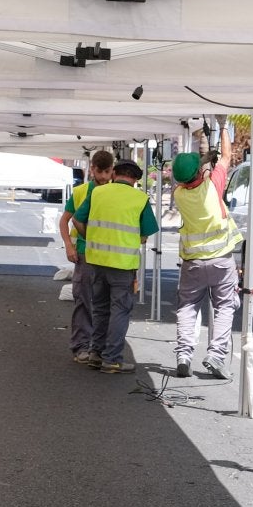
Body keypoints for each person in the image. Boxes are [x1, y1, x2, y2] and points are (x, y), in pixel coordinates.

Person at [73, 160, 157, 373]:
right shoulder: (140, 198)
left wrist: (90, 238)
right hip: (122, 265)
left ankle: (96, 354)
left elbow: (76, 220)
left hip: (96, 260)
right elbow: (145, 233)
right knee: (119, 310)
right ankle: (112, 359)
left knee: (100, 308)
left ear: (114, 174)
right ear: (135, 180)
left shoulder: (98, 193)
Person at [169, 151, 243, 378]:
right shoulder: (213, 187)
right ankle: (216, 355)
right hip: (221, 261)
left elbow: (189, 176)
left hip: (193, 263)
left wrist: (202, 165)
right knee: (225, 307)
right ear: (200, 172)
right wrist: (222, 126)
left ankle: (183, 355)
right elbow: (227, 156)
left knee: (187, 308)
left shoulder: (179, 194)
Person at [61, 149, 113, 362]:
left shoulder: (114, 193)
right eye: (99, 171)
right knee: (84, 300)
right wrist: (69, 246)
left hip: (108, 255)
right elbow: (65, 220)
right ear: (91, 169)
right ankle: (81, 346)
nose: (102, 176)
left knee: (103, 303)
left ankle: (98, 347)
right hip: (84, 253)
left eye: (106, 172)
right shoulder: (81, 191)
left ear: (112, 171)